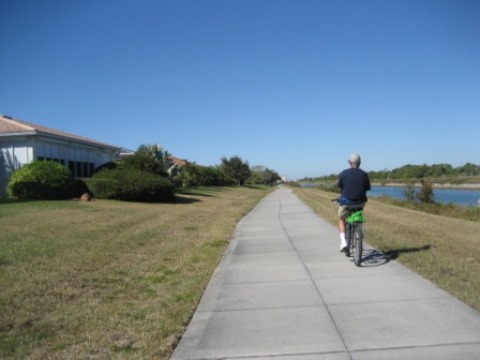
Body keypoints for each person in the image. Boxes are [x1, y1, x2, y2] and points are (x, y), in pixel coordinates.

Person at [337, 153, 371, 252]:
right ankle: (359, 235)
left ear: (349, 162)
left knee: (341, 219)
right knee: (357, 213)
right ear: (360, 162)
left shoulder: (343, 173)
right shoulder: (364, 174)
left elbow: (340, 187)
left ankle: (343, 243)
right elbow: (368, 188)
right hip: (360, 203)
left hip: (347, 203)